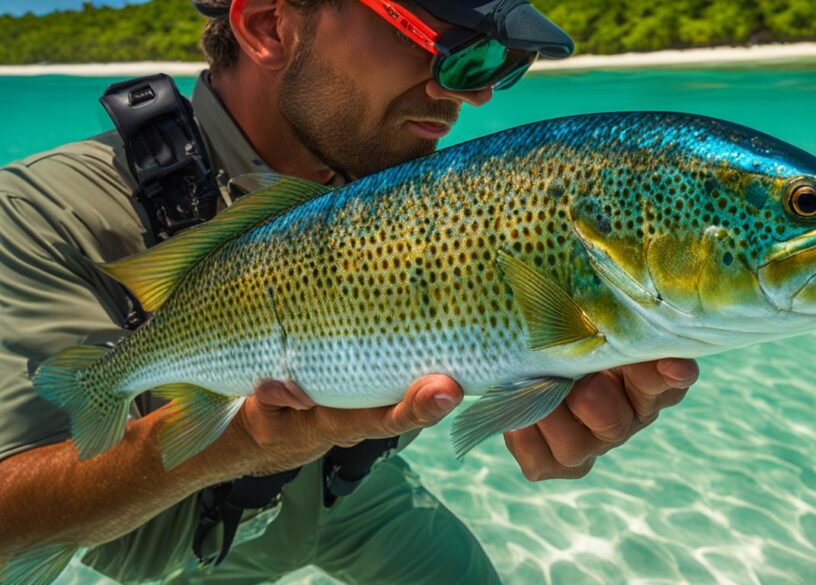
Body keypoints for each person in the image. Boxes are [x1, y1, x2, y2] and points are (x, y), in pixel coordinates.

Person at [0, 0, 699, 583]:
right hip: (183, 550)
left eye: (496, 59)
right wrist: (240, 442)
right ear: (272, 25)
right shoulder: (43, 210)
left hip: (351, 491)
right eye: (443, 43)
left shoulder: (396, 174)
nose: (472, 89)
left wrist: (552, 384)